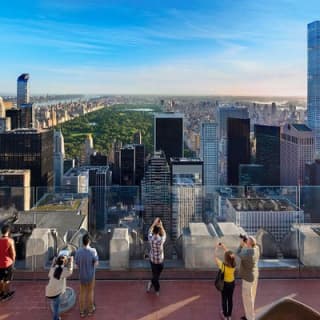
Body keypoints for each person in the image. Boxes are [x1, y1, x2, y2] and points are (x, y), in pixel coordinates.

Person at [236, 236, 260, 320]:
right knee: (251, 297)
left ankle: (250, 318)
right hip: (254, 275)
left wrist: (241, 245)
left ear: (249, 243)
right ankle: (248, 315)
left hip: (248, 279)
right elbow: (251, 247)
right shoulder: (256, 248)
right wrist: (248, 243)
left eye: (247, 241)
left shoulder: (248, 254)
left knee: (247, 299)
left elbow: (238, 253)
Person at [75, 234, 99, 318]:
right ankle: (90, 309)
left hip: (82, 275)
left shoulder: (78, 251)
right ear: (89, 241)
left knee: (82, 293)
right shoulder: (93, 251)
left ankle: (81, 311)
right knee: (90, 292)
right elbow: (96, 263)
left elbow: (76, 265)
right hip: (90, 275)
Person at [46, 254, 74, 320]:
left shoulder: (53, 269)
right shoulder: (63, 271)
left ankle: (57, 318)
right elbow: (70, 272)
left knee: (55, 305)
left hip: (50, 291)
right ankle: (56, 318)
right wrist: (71, 262)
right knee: (56, 308)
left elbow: (49, 275)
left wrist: (53, 263)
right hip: (56, 292)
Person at [214, 243, 236, 320]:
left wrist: (217, 248)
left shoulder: (222, 265)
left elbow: (215, 257)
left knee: (224, 299)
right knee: (230, 299)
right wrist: (224, 247)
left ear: (225, 258)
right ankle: (229, 316)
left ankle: (225, 314)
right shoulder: (234, 264)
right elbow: (230, 255)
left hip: (225, 284)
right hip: (232, 284)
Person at [146, 217, 166, 296]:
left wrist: (154, 224)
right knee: (156, 277)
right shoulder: (161, 240)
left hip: (152, 261)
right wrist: (161, 226)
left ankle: (150, 283)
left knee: (155, 275)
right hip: (160, 261)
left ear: (154, 231)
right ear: (159, 232)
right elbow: (164, 234)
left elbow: (149, 231)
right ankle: (157, 290)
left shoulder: (151, 238)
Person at [0, 225, 16, 301]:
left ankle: (1, 293)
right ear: (8, 231)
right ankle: (6, 294)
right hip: (7, 263)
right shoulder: (10, 240)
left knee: (1, 279)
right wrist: (13, 261)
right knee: (7, 280)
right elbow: (13, 253)